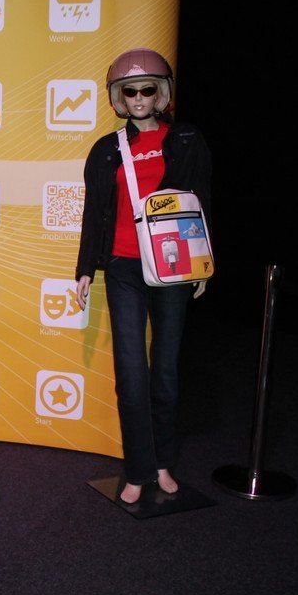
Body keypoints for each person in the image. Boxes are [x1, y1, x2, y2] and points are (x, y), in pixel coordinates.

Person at [74, 48, 212, 504]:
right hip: (123, 267)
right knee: (131, 374)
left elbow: (201, 201)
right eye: (129, 90)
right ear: (118, 97)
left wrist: (204, 262)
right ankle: (137, 468)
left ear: (161, 93)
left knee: (165, 372)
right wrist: (85, 269)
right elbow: (94, 211)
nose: (138, 97)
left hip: (173, 266)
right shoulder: (107, 149)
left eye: (146, 89)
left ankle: (163, 462)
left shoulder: (186, 139)